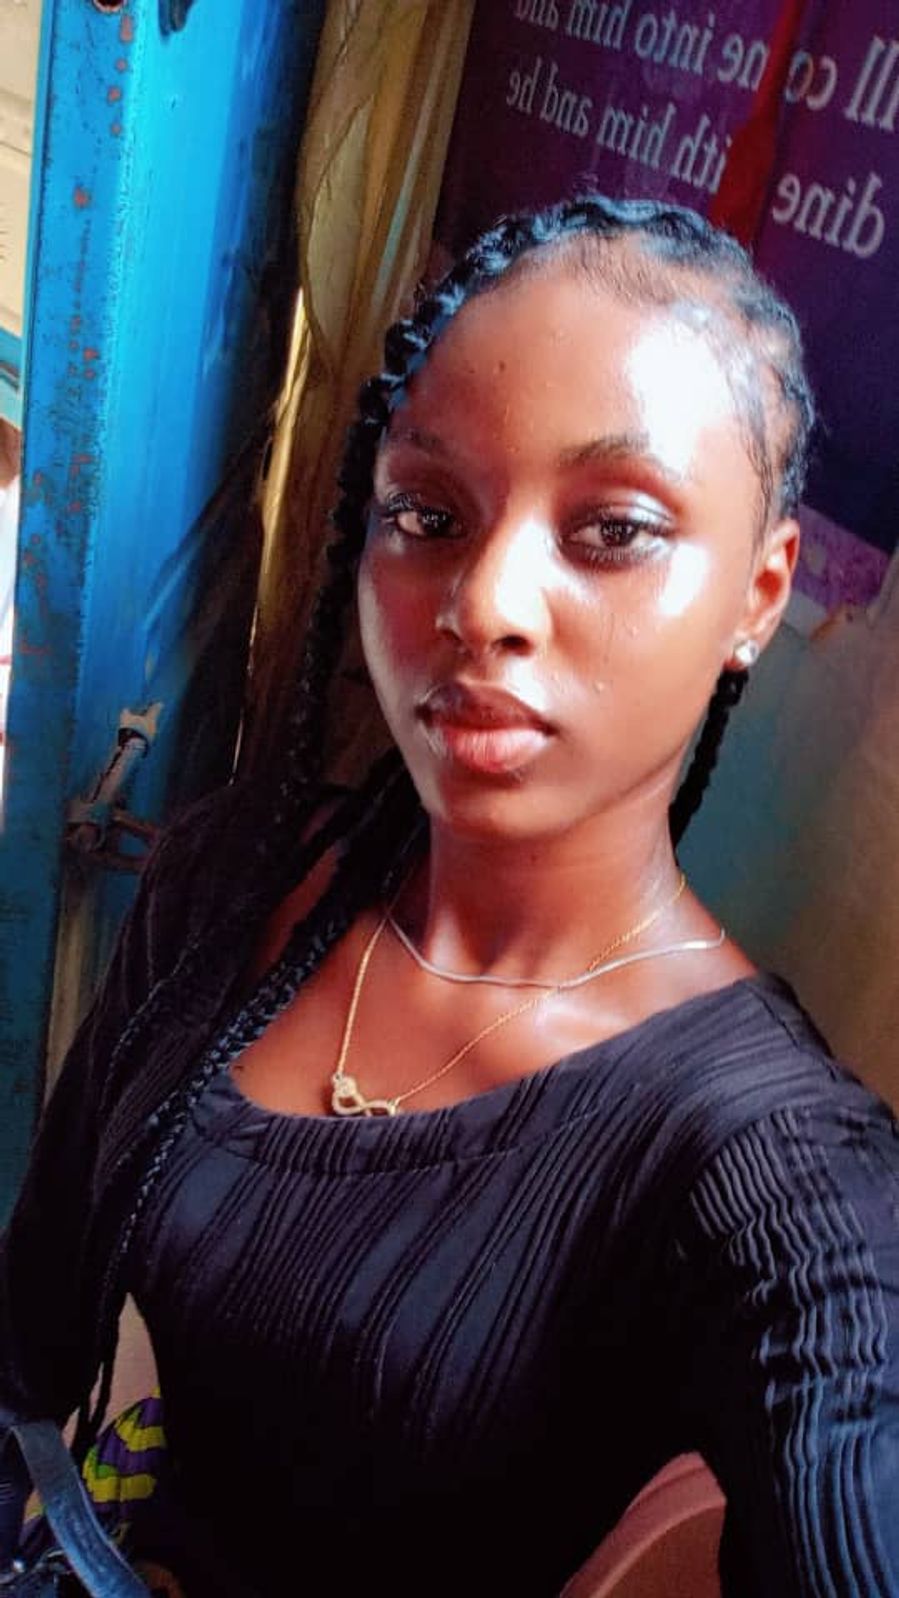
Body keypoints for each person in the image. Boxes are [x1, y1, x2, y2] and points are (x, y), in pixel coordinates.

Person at [1, 193, 898, 1597]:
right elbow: (27, 1348)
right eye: (426, 513)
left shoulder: (771, 1166)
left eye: (613, 529)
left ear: (760, 593)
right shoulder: (239, 880)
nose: (482, 604)